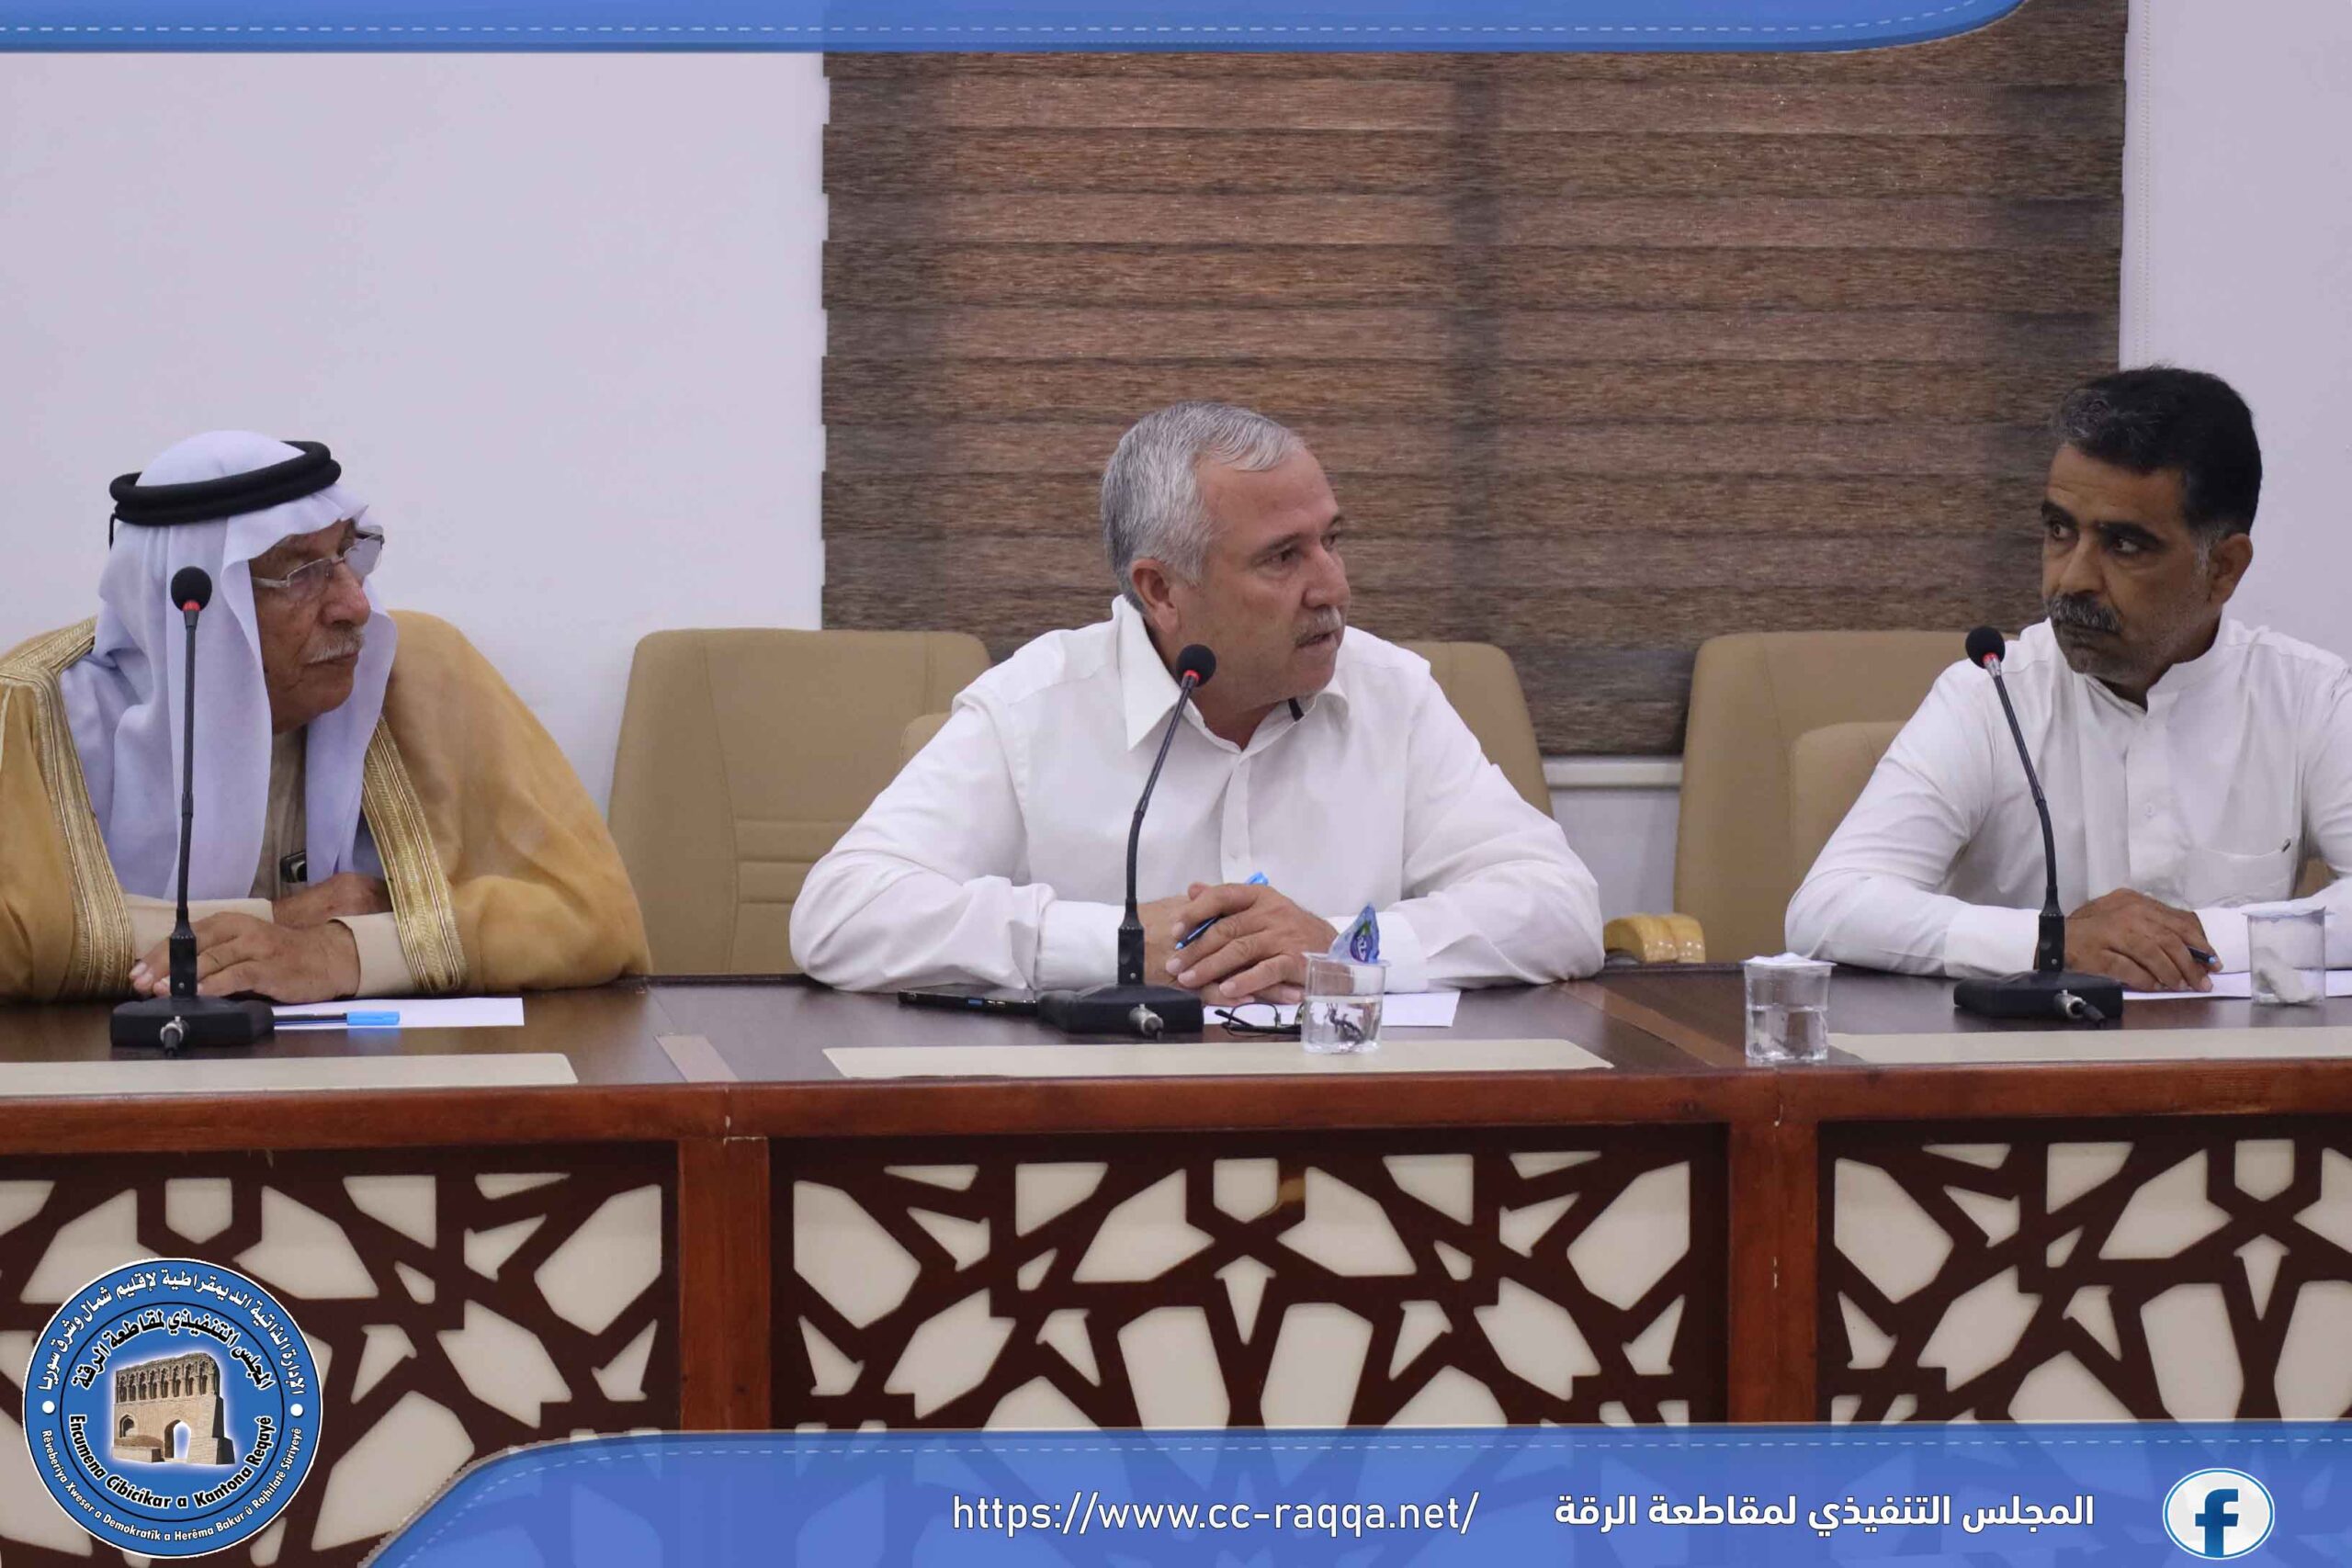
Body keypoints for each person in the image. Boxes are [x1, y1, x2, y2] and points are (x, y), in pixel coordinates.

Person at [792, 400, 1604, 1001]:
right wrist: (1116, 946)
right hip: (1104, 1128)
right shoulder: (1035, 707)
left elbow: (1560, 905)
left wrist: (1344, 948)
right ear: (1160, 590)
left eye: (1332, 540)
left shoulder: (1390, 693)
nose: (1333, 586)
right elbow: (842, 913)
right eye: (1282, 557)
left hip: (1349, 1121)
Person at [0, 432, 649, 1003]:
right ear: (199, 602)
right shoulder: (34, 709)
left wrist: (340, 952)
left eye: (346, 555)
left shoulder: (421, 674)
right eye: (301, 573)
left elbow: (594, 917)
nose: (354, 605)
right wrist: (276, 923)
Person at [1787, 367, 2350, 989]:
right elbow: (1828, 908)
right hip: (2021, 1051)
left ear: (2222, 569)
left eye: (2124, 545)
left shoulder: (2311, 698)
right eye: (2060, 531)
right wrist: (2053, 942)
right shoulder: (1990, 695)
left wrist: (2193, 937)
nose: (2072, 578)